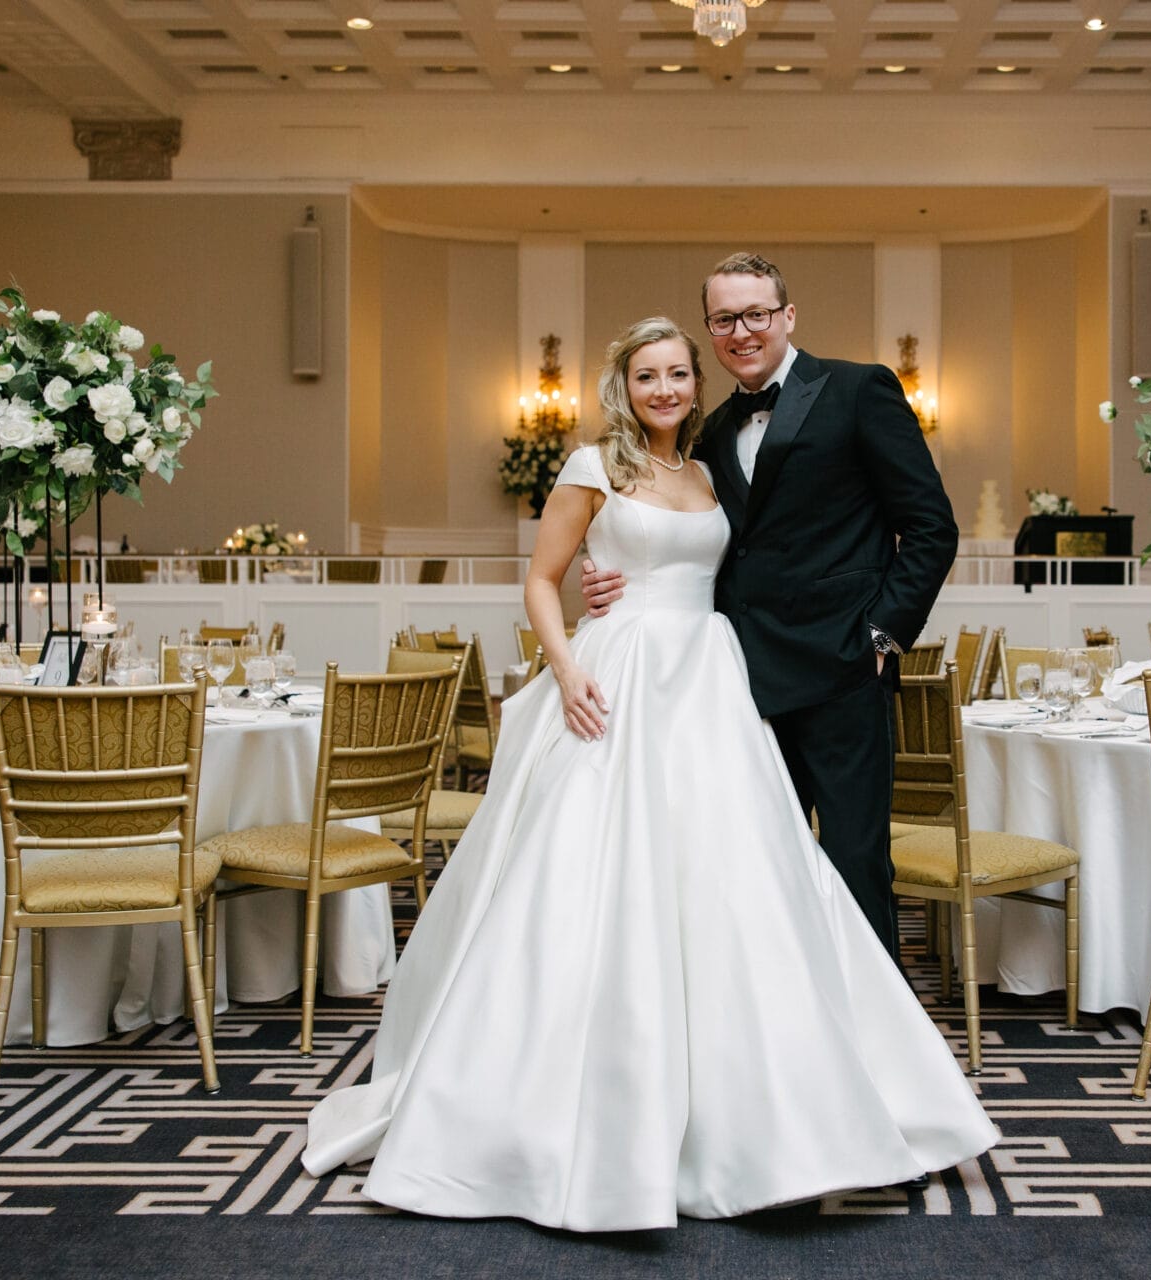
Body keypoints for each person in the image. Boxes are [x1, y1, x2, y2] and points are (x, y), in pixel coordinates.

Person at [300, 317, 996, 1232]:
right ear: (620, 385)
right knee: (593, 880)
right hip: (618, 678)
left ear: (695, 381)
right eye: (646, 375)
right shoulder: (594, 466)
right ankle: (568, 1111)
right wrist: (568, 665)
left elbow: (766, 557)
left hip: (710, 682)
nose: (664, 388)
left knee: (738, 884)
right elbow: (543, 579)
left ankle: (775, 1110)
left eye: (677, 373)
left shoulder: (710, 468)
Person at [583, 252, 958, 959]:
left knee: (853, 861)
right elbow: (694, 540)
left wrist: (882, 634)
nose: (742, 330)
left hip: (845, 671)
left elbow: (932, 526)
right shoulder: (713, 431)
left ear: (788, 316)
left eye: (756, 313)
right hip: (739, 684)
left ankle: (872, 1039)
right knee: (754, 868)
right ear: (711, 330)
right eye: (724, 318)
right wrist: (605, 570)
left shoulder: (857, 390)